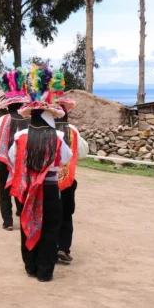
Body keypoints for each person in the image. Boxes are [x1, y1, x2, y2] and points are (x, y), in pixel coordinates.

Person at [8, 65, 73, 282]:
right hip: (51, 187)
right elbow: (65, 159)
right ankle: (45, 271)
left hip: (28, 189)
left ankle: (30, 265)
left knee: (28, 223)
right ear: (50, 115)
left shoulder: (21, 136)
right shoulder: (57, 136)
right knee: (50, 228)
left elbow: (11, 158)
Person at [50, 72, 89, 264]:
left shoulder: (45, 130)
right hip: (67, 180)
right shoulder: (72, 131)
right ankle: (63, 248)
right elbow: (82, 152)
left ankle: (49, 247)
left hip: (47, 180)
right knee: (66, 214)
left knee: (48, 215)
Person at [0, 69, 30, 231]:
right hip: (23, 161)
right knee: (22, 184)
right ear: (21, 104)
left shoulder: (3, 120)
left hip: (5, 160)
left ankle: (8, 221)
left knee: (4, 190)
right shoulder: (28, 120)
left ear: (8, 105)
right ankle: (21, 211)